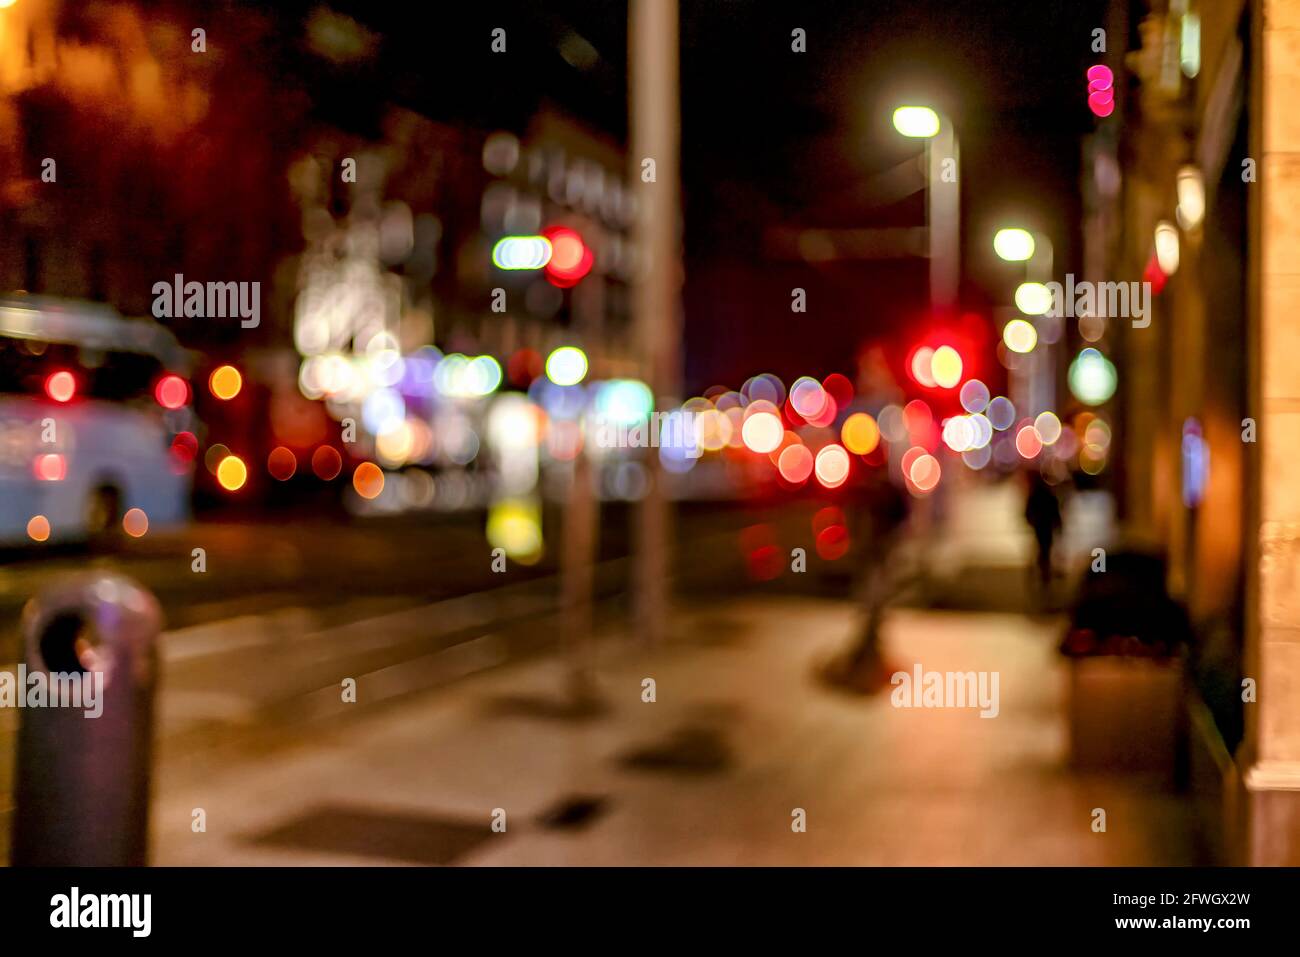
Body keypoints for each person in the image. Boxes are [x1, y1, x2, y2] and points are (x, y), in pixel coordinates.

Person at [1023, 469, 1061, 590]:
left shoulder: (1035, 494)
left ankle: (1042, 568)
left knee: (1042, 548)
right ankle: (1044, 570)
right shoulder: (1048, 493)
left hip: (1040, 525)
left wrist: (1030, 520)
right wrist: (1058, 523)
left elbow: (1028, 511)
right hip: (1046, 525)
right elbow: (1055, 510)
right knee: (1045, 548)